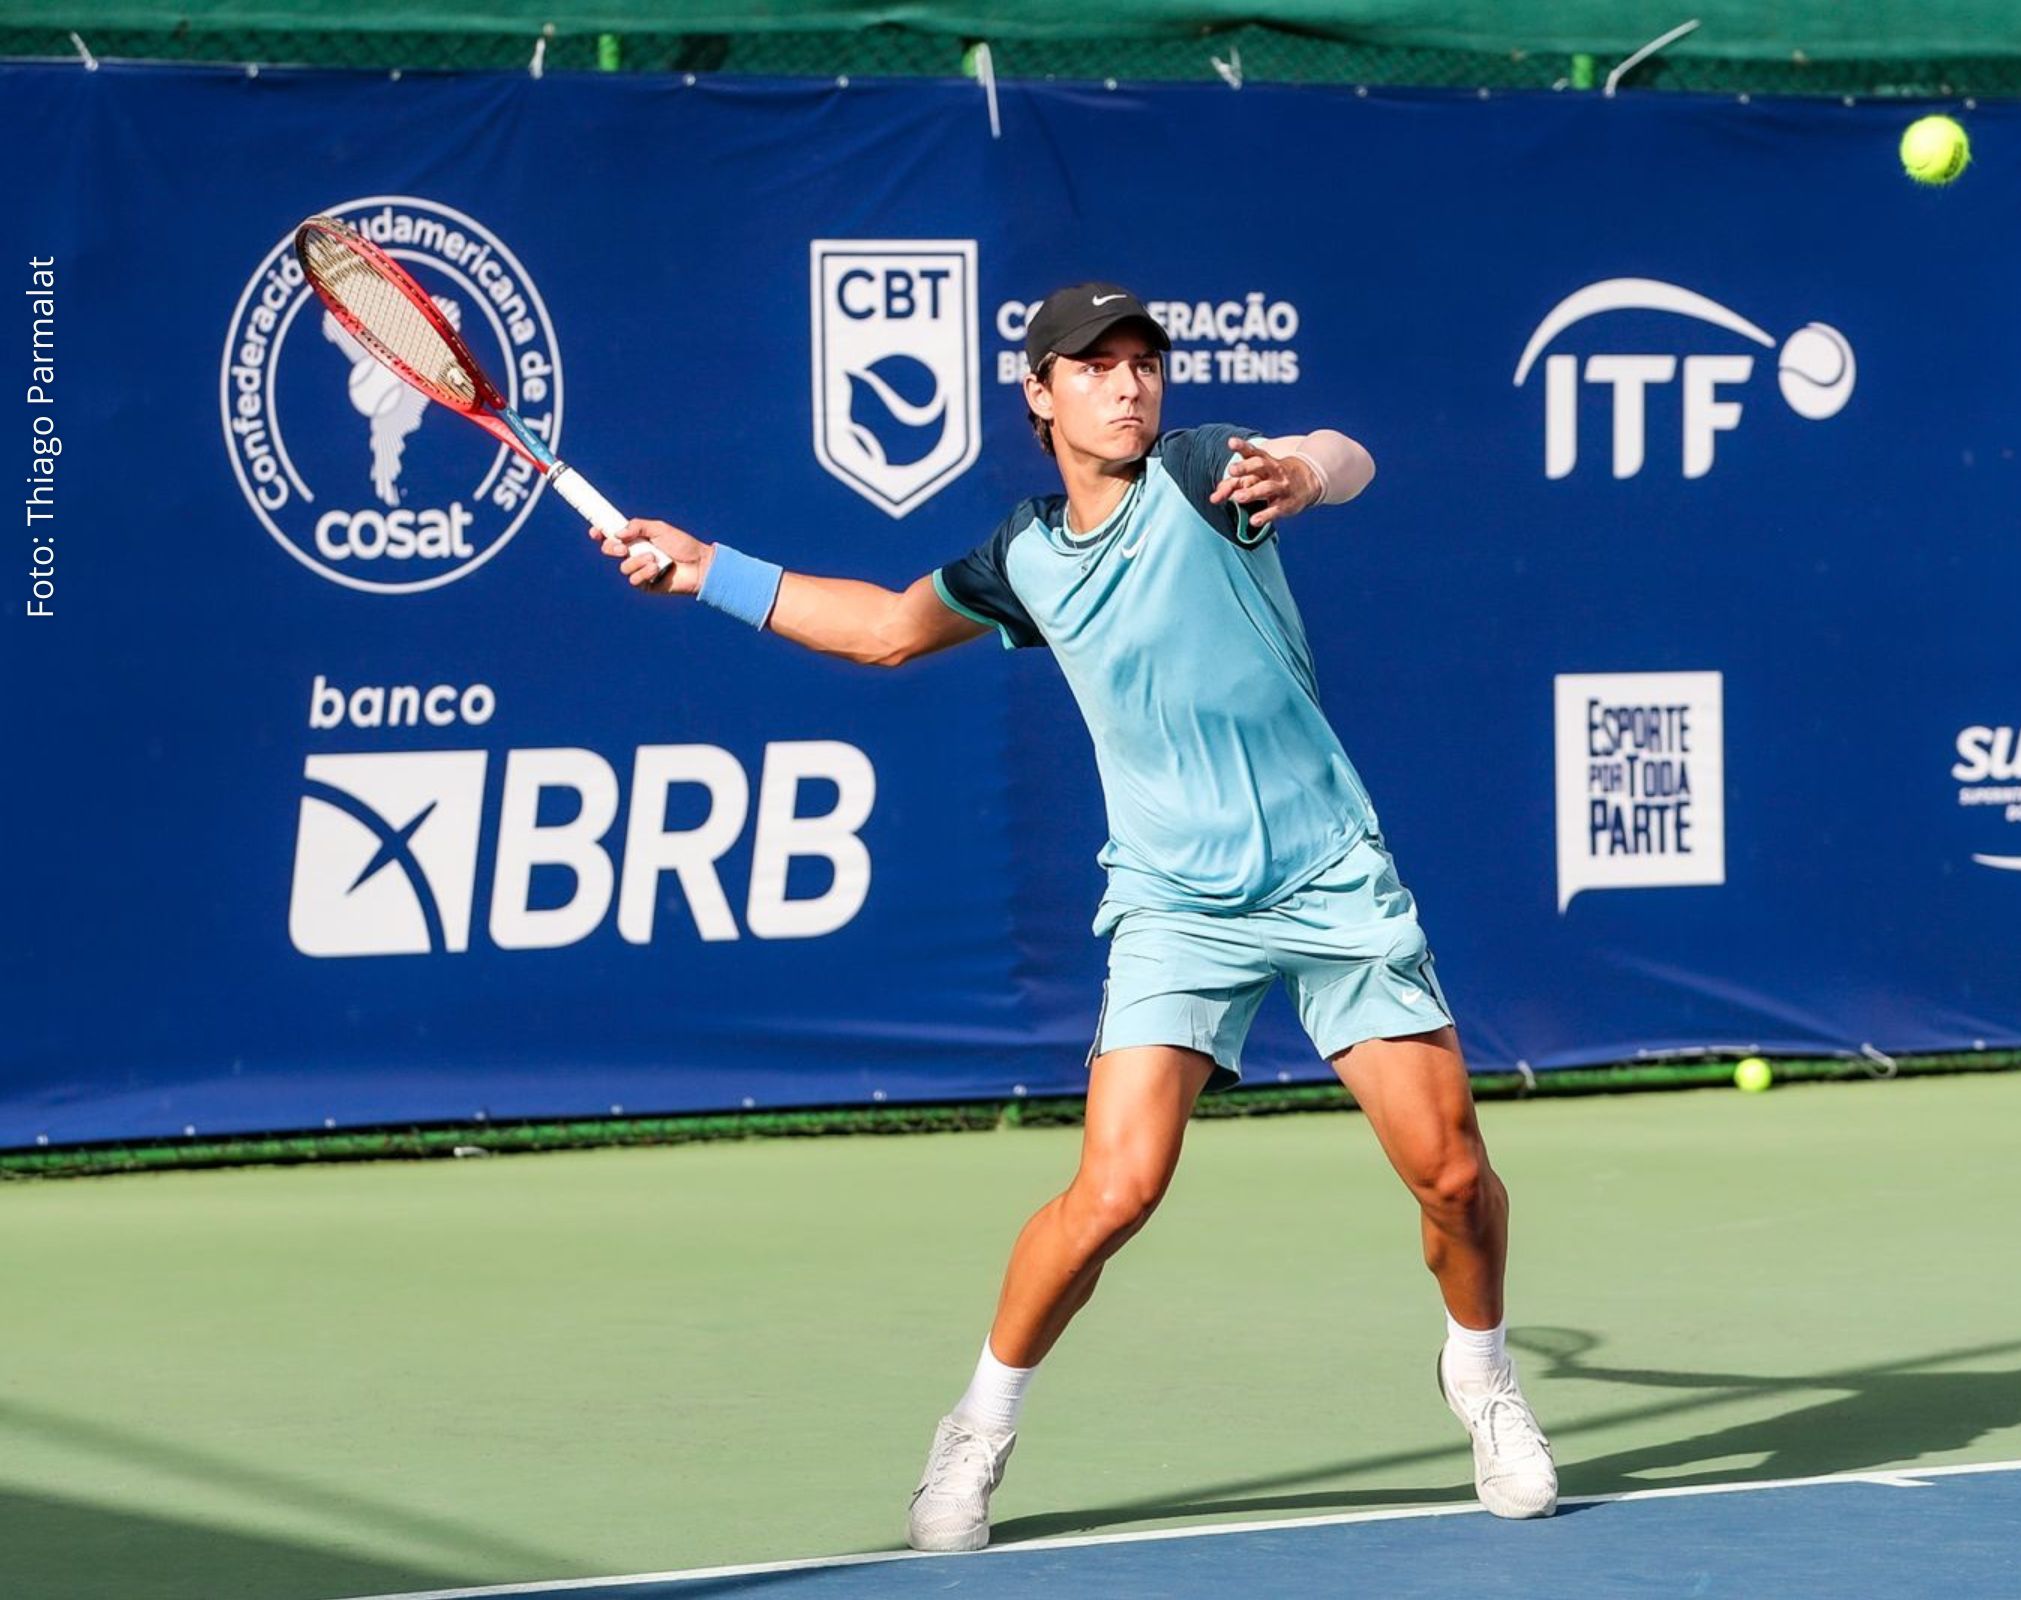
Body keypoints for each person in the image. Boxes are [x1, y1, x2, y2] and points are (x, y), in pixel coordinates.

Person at [591, 283, 1556, 1552]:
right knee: (1113, 1191)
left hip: (1328, 875)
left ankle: (1480, 1376)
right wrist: (706, 571)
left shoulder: (1210, 474)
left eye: (1143, 362)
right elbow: (885, 630)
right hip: (1174, 902)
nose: (1128, 384)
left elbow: (1346, 451)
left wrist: (1311, 474)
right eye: (1094, 366)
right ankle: (978, 1427)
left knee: (1450, 1172)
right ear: (1040, 395)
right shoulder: (1023, 559)